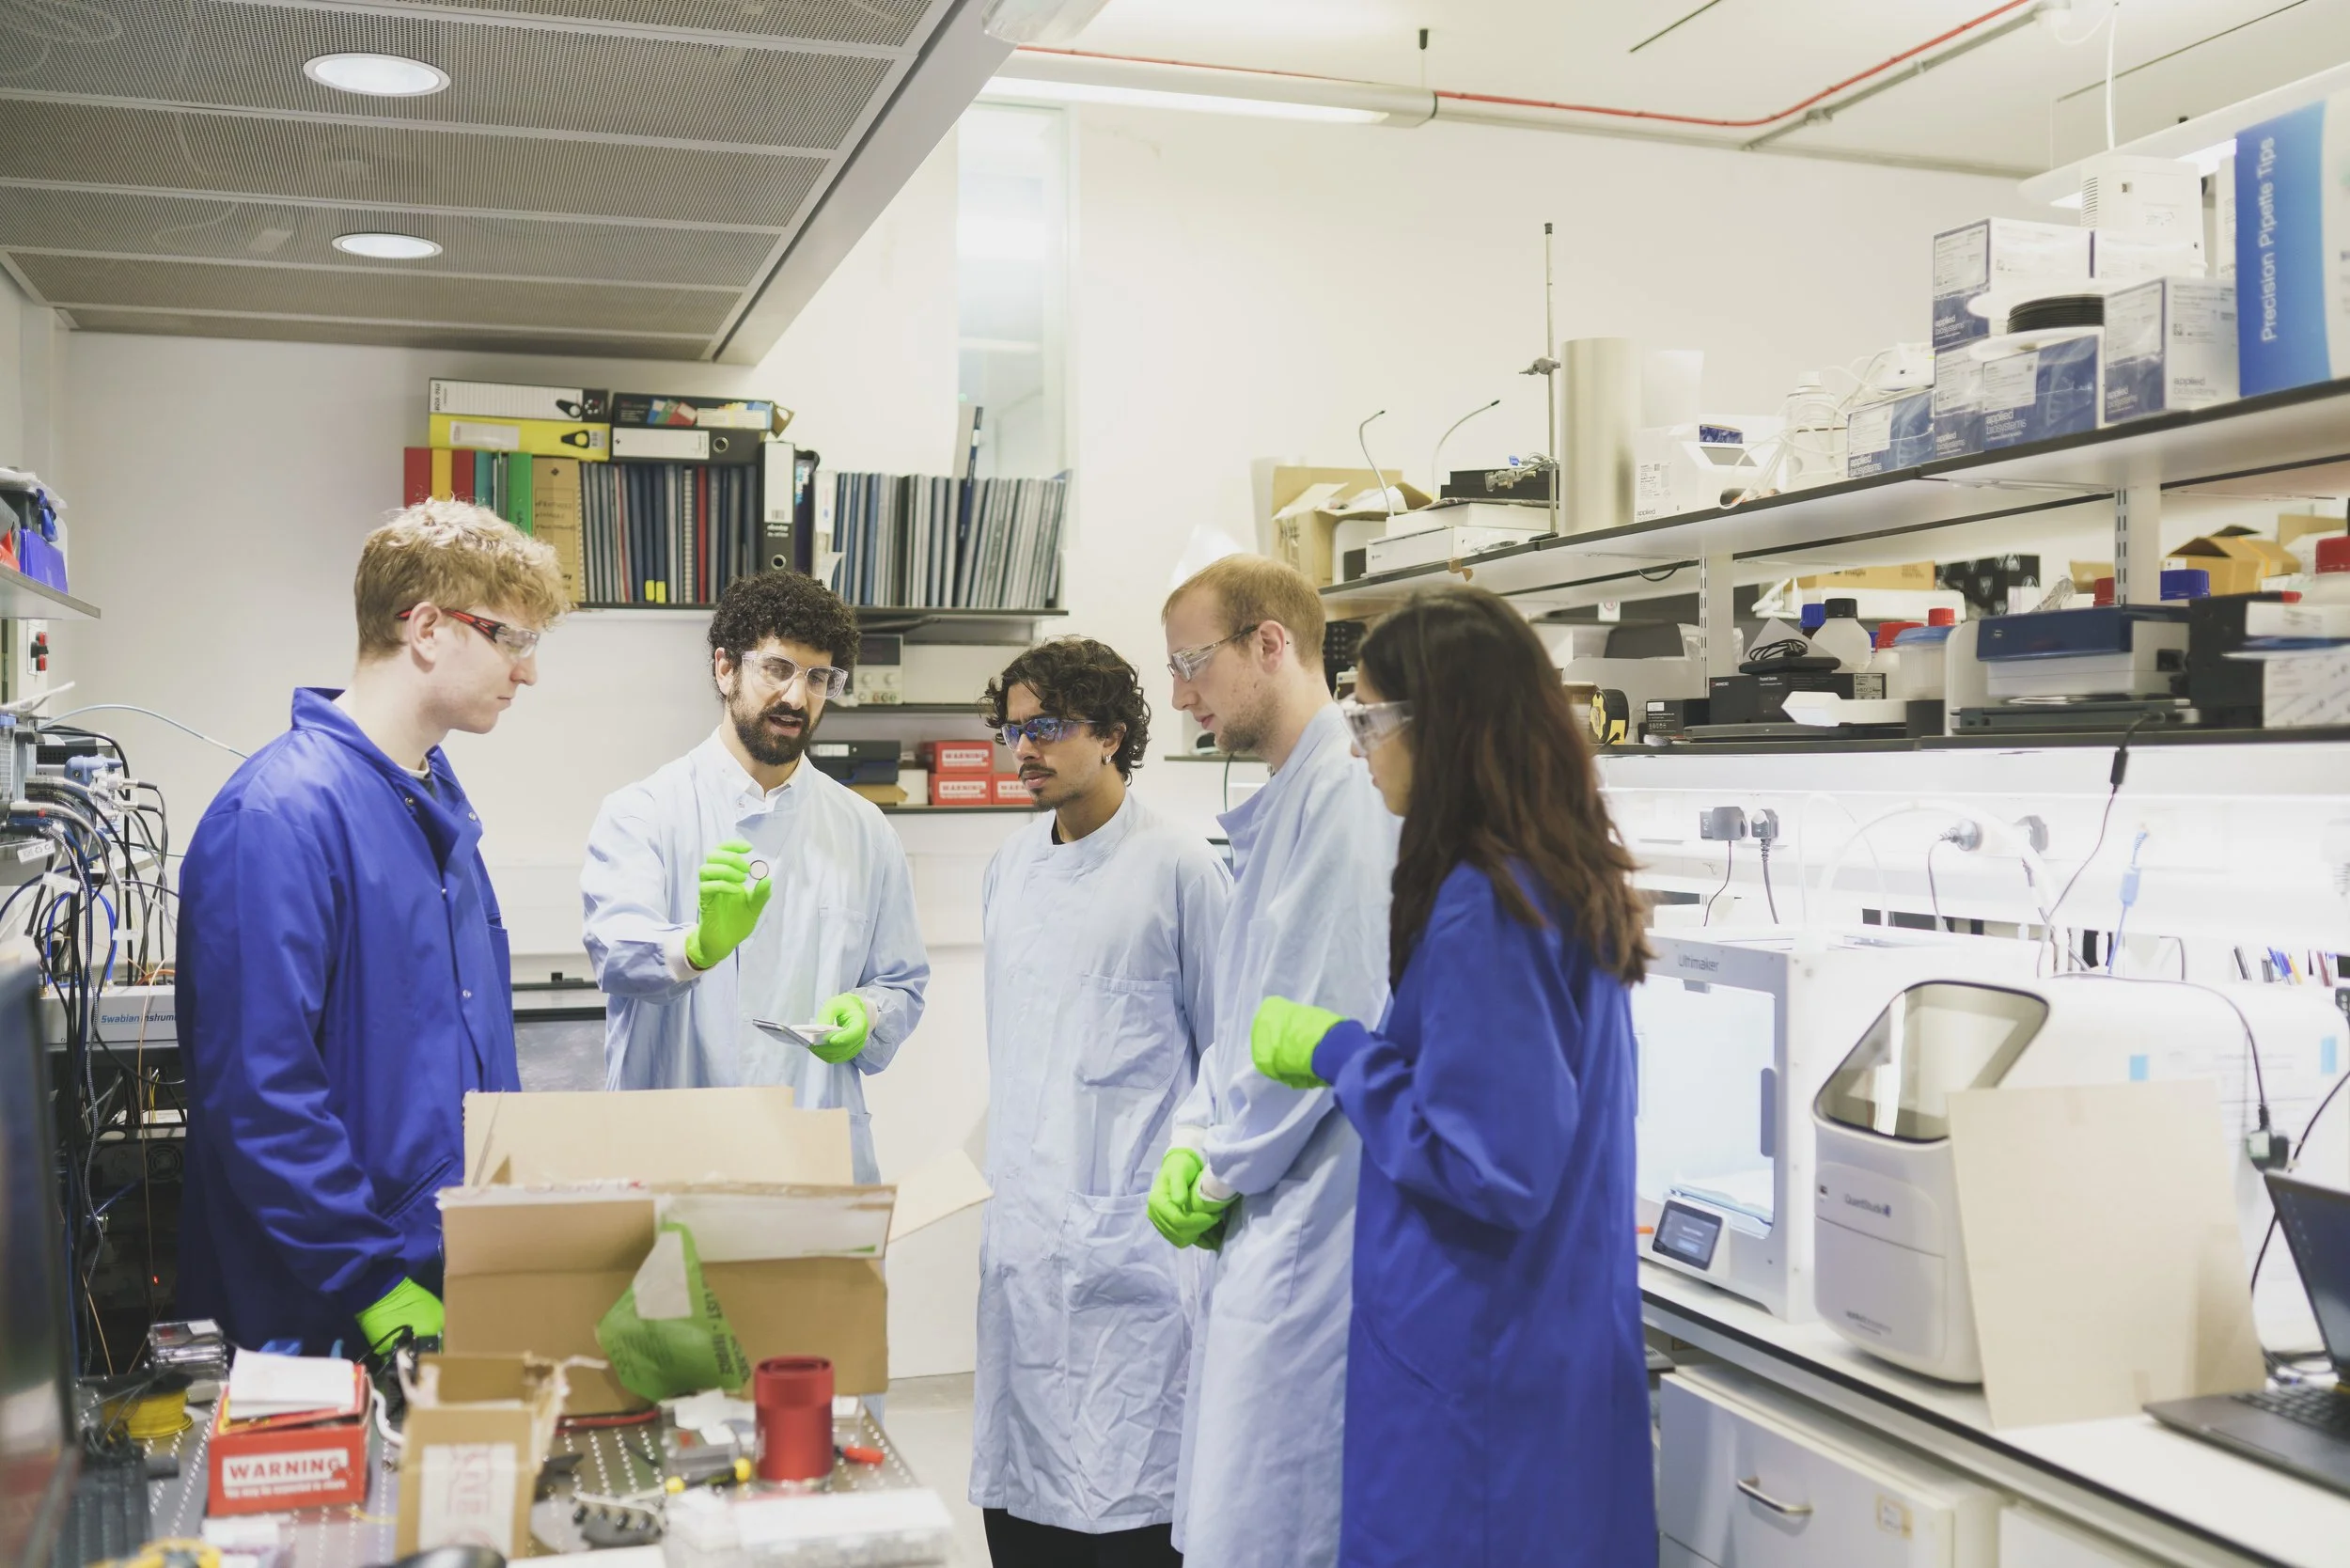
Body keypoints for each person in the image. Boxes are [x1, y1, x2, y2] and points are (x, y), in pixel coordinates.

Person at [1246, 588, 1657, 1567]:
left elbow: (1490, 1167)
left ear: (1446, 725)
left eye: (1369, 719)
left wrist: (1339, 1051)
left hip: (1479, 1365)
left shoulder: (1489, 901)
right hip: (1539, 1346)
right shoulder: (1557, 875)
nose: (1357, 748)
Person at [177, 501, 565, 1355]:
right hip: (325, 1304)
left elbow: (472, 1044)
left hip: (440, 1270)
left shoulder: (434, 809)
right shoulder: (278, 817)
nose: (526, 672)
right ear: (427, 627)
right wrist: (370, 1278)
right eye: (511, 639)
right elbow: (260, 1094)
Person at [1146, 557, 1395, 1568]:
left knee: (1277, 1521)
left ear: (1270, 644)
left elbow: (1321, 1025)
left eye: (1191, 663)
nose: (1179, 695)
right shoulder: (1287, 800)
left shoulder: (1347, 794)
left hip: (1315, 1217)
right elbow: (1244, 1012)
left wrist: (1214, 1163)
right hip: (1264, 1199)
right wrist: (1196, 1132)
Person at [969, 637, 1231, 1567]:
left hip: (1135, 1256)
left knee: (1131, 1518)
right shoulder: (1008, 870)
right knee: (1023, 1515)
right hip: (1026, 1247)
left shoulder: (1179, 870)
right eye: (1011, 730)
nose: (1023, 749)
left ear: (1112, 733)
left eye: (1046, 727)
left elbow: (1226, 1058)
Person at [581, 570, 927, 1185]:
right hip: (674, 1164)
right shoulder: (644, 812)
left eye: (819, 677)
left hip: (817, 1164)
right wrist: (697, 946)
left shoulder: (866, 831)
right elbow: (614, 951)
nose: (797, 697)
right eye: (777, 668)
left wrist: (868, 1015)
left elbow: (901, 983)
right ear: (724, 669)